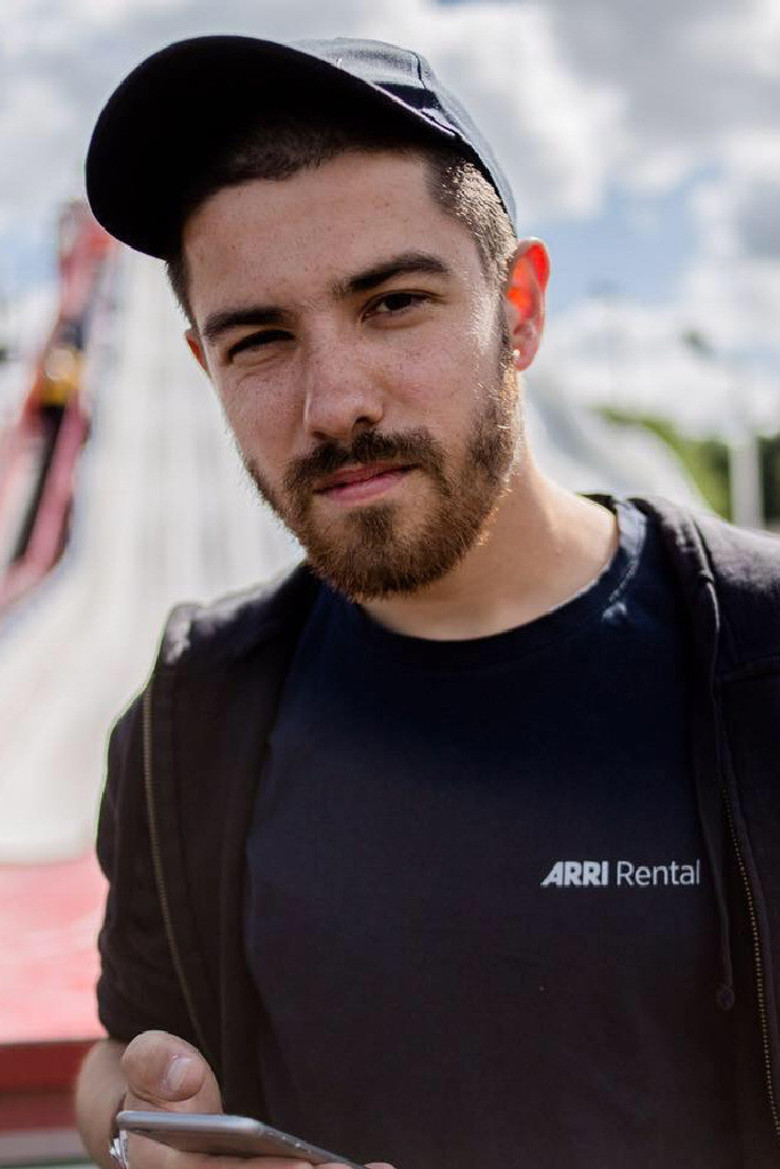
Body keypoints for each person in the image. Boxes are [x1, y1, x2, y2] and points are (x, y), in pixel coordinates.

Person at [77, 35, 780, 1169]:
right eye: (261, 340)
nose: (334, 402)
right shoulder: (188, 718)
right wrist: (141, 1124)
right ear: (205, 366)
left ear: (520, 310)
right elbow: (121, 1055)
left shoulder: (761, 657)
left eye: (394, 302)